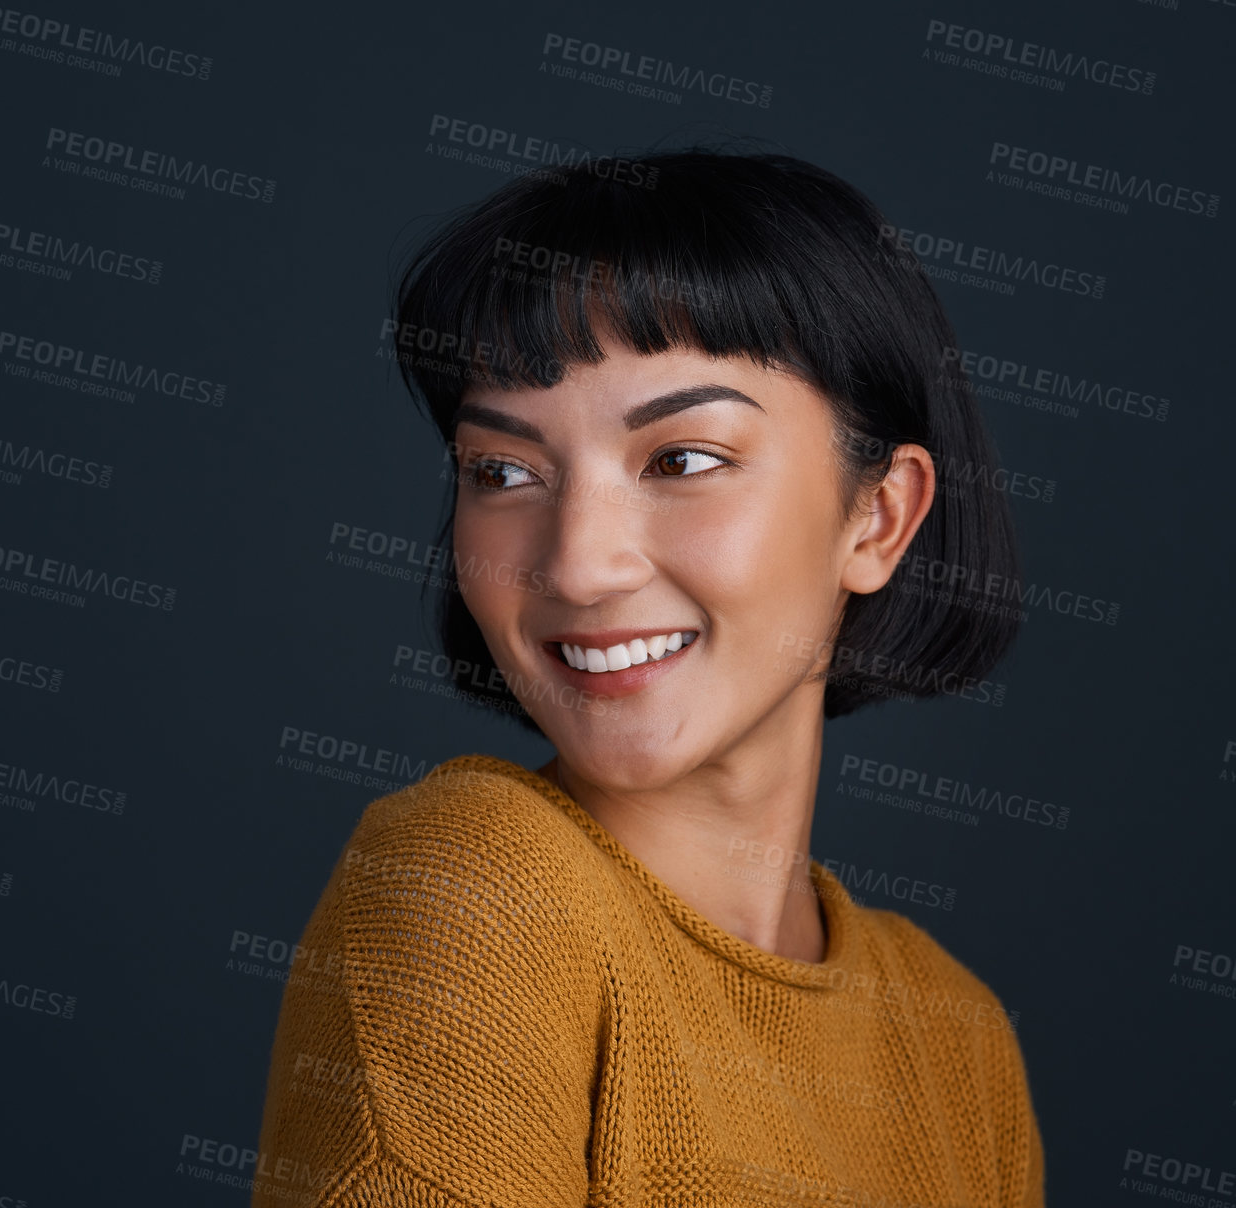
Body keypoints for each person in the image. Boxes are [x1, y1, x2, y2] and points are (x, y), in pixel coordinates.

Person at [251, 148, 1044, 1208]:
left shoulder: (958, 1038)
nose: (577, 563)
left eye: (680, 460)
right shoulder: (473, 883)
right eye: (504, 473)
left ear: (879, 516)